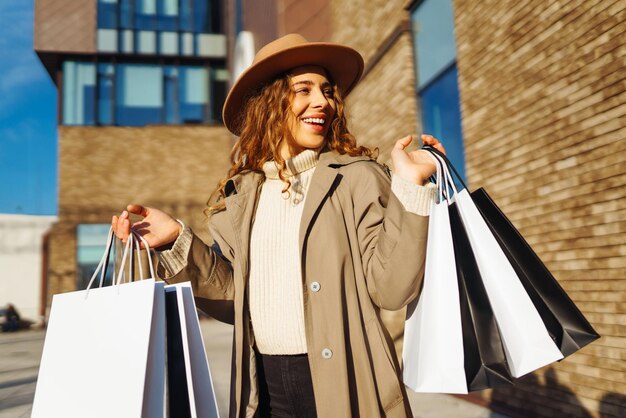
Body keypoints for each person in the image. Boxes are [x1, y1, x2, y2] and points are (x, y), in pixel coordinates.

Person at [112, 34, 445, 418]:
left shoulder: (356, 178)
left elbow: (391, 288)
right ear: (269, 104)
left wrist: (411, 189)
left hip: (345, 382)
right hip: (263, 388)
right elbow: (236, 299)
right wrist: (176, 241)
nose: (323, 101)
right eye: (303, 89)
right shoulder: (240, 196)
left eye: (326, 91)